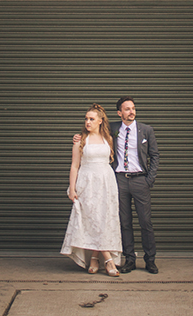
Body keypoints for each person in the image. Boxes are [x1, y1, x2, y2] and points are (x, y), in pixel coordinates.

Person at [61, 104, 122, 276]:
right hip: (87, 182)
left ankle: (95, 258)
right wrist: (72, 188)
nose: (87, 122)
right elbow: (74, 166)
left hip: (105, 182)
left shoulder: (108, 138)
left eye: (91, 119)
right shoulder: (80, 140)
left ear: (100, 121)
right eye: (86, 119)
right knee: (91, 219)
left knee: (103, 219)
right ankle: (108, 260)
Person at [112, 96, 160, 274]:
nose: (131, 111)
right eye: (127, 109)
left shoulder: (146, 130)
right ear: (119, 113)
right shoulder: (113, 128)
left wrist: (149, 180)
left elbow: (155, 156)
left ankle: (150, 260)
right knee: (125, 222)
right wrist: (79, 138)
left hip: (140, 180)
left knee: (145, 222)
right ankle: (129, 259)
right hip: (120, 180)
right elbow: (94, 133)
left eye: (133, 108)